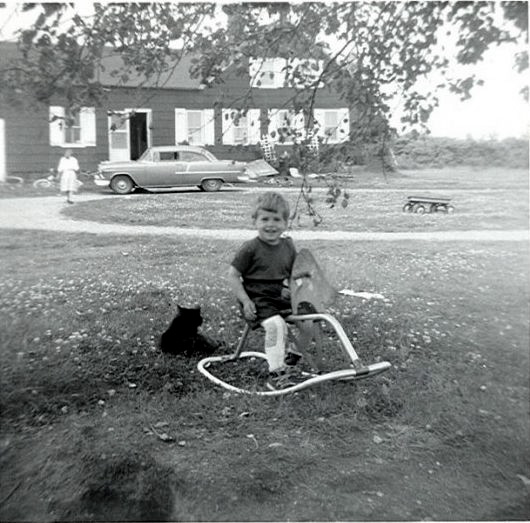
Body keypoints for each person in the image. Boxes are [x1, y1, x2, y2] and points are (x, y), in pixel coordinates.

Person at [228, 191, 306, 390]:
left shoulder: (288, 245)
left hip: (278, 294)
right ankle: (276, 374)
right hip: (257, 298)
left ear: (285, 223)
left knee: (310, 316)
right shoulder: (250, 248)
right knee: (276, 326)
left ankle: (291, 360)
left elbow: (291, 272)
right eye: (265, 219)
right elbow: (233, 276)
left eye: (276, 219)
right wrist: (246, 301)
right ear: (255, 221)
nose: (271, 225)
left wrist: (294, 290)